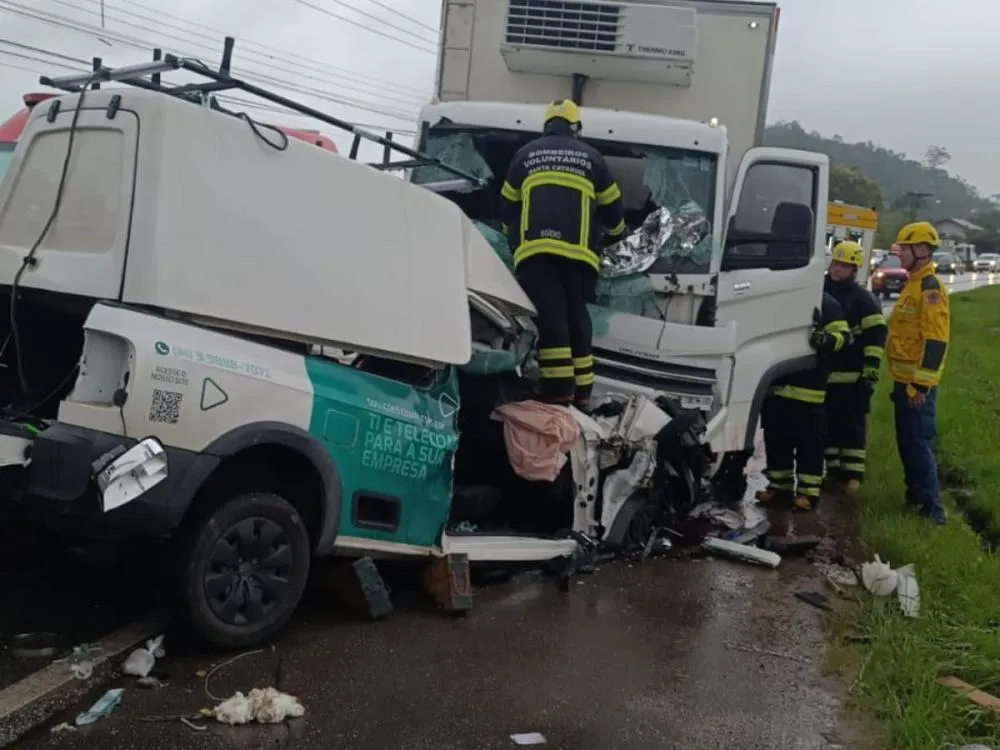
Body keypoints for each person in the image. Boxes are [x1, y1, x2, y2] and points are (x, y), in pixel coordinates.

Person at [499, 99, 626, 409]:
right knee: (575, 318)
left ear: (546, 126)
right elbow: (613, 207)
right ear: (575, 128)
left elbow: (506, 204)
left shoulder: (525, 155)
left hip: (536, 252)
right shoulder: (591, 158)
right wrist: (615, 235)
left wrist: (509, 235)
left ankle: (558, 389)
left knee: (552, 319)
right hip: (580, 257)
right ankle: (582, 390)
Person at [756, 292, 851, 513]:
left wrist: (825, 340)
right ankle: (779, 488)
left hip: (808, 389)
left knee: (810, 445)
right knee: (777, 440)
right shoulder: (777, 297)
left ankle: (808, 493)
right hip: (776, 385)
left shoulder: (826, 303)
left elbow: (844, 337)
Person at [886, 221, 950, 524]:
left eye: (905, 248)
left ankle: (931, 513)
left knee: (918, 446)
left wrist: (920, 386)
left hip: (916, 388)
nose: (899, 253)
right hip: (904, 383)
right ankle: (915, 502)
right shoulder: (913, 283)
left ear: (922, 250)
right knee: (907, 445)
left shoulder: (929, 287)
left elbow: (936, 340)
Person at [823, 241, 887, 492]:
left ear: (854, 270)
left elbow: (876, 335)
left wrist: (871, 367)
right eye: (836, 263)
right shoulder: (819, 291)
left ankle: (853, 475)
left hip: (853, 376)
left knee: (851, 427)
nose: (838, 269)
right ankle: (833, 470)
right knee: (827, 427)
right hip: (825, 374)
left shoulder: (863, 299)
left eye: (844, 265)